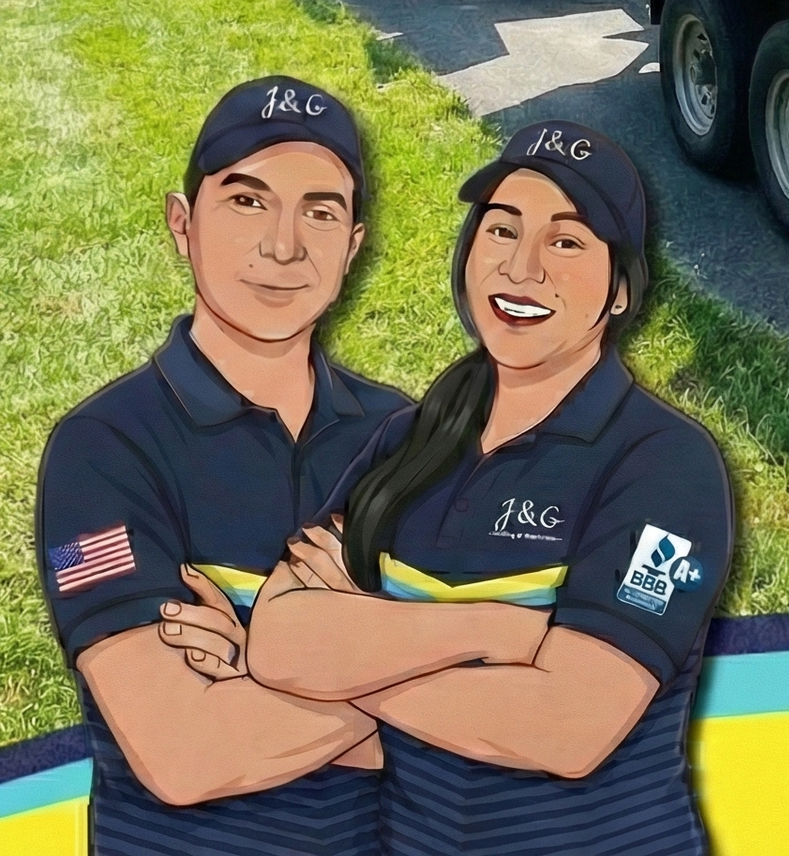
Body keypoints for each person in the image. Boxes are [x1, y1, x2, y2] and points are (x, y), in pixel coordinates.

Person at [246, 119, 733, 856]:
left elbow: (569, 728)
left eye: (566, 242)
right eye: (502, 231)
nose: (522, 268)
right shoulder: (408, 440)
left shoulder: (667, 465)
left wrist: (352, 652)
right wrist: (493, 631)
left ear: (622, 289)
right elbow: (278, 639)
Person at [35, 77, 408, 852]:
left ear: (354, 245)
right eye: (246, 201)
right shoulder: (101, 449)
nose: (283, 245)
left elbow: (520, 738)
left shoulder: (404, 438)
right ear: (182, 224)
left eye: (320, 211)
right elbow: (184, 752)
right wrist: (406, 667)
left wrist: (258, 671)